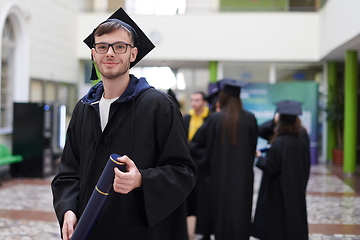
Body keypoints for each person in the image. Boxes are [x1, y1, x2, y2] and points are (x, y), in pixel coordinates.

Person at [51, 7, 196, 240]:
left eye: (119, 47)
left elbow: (183, 171)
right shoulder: (84, 108)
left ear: (133, 54)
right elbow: (68, 172)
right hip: (90, 229)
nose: (110, 53)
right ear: (93, 54)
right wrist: (68, 209)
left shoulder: (159, 106)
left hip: (139, 232)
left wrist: (141, 180)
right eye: (102, 47)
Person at [189, 78, 258, 240]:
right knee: (240, 212)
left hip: (218, 178)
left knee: (220, 214)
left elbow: (194, 146)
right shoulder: (250, 119)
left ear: (223, 97)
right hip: (243, 178)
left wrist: (208, 159)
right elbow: (251, 148)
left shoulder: (214, 120)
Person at [252, 100, 310, 240]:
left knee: (278, 221)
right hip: (295, 187)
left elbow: (271, 167)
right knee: (294, 217)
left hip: (278, 189)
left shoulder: (279, 142)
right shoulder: (300, 140)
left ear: (279, 120)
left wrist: (259, 158)